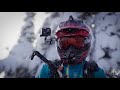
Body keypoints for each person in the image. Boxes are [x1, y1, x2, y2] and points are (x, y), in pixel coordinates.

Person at [37, 16, 106, 78]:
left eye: (77, 43)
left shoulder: (94, 72)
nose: (71, 49)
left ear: (86, 43)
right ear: (58, 44)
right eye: (65, 44)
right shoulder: (48, 70)